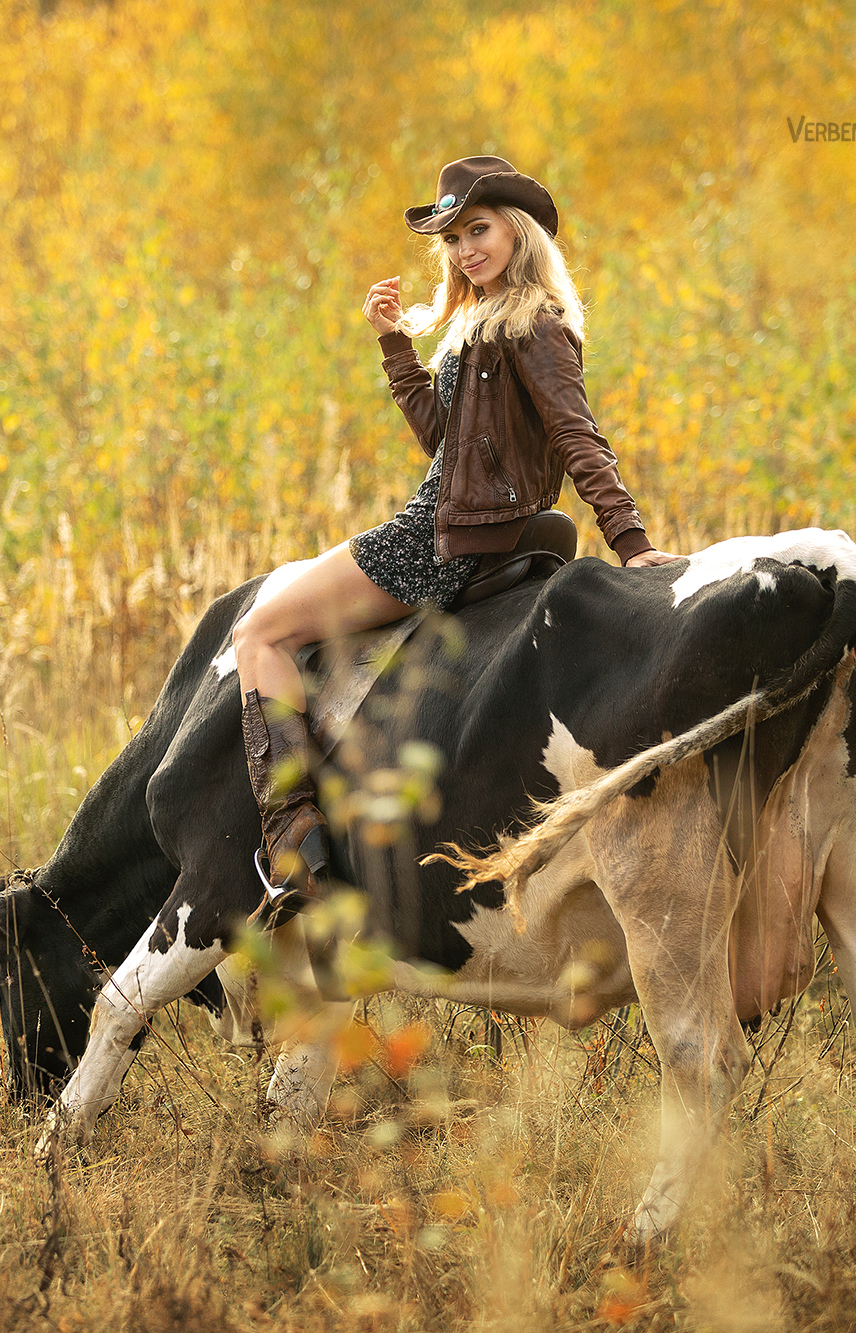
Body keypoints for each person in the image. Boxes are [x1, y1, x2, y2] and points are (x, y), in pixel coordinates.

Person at [232, 155, 679, 903]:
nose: (467, 250)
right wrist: (394, 345)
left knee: (259, 633)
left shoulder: (533, 321)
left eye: (480, 230)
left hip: (435, 542)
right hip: (447, 523)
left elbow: (577, 435)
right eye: (455, 240)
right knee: (271, 625)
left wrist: (631, 543)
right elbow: (445, 442)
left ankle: (290, 839)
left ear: (518, 232)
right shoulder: (481, 320)